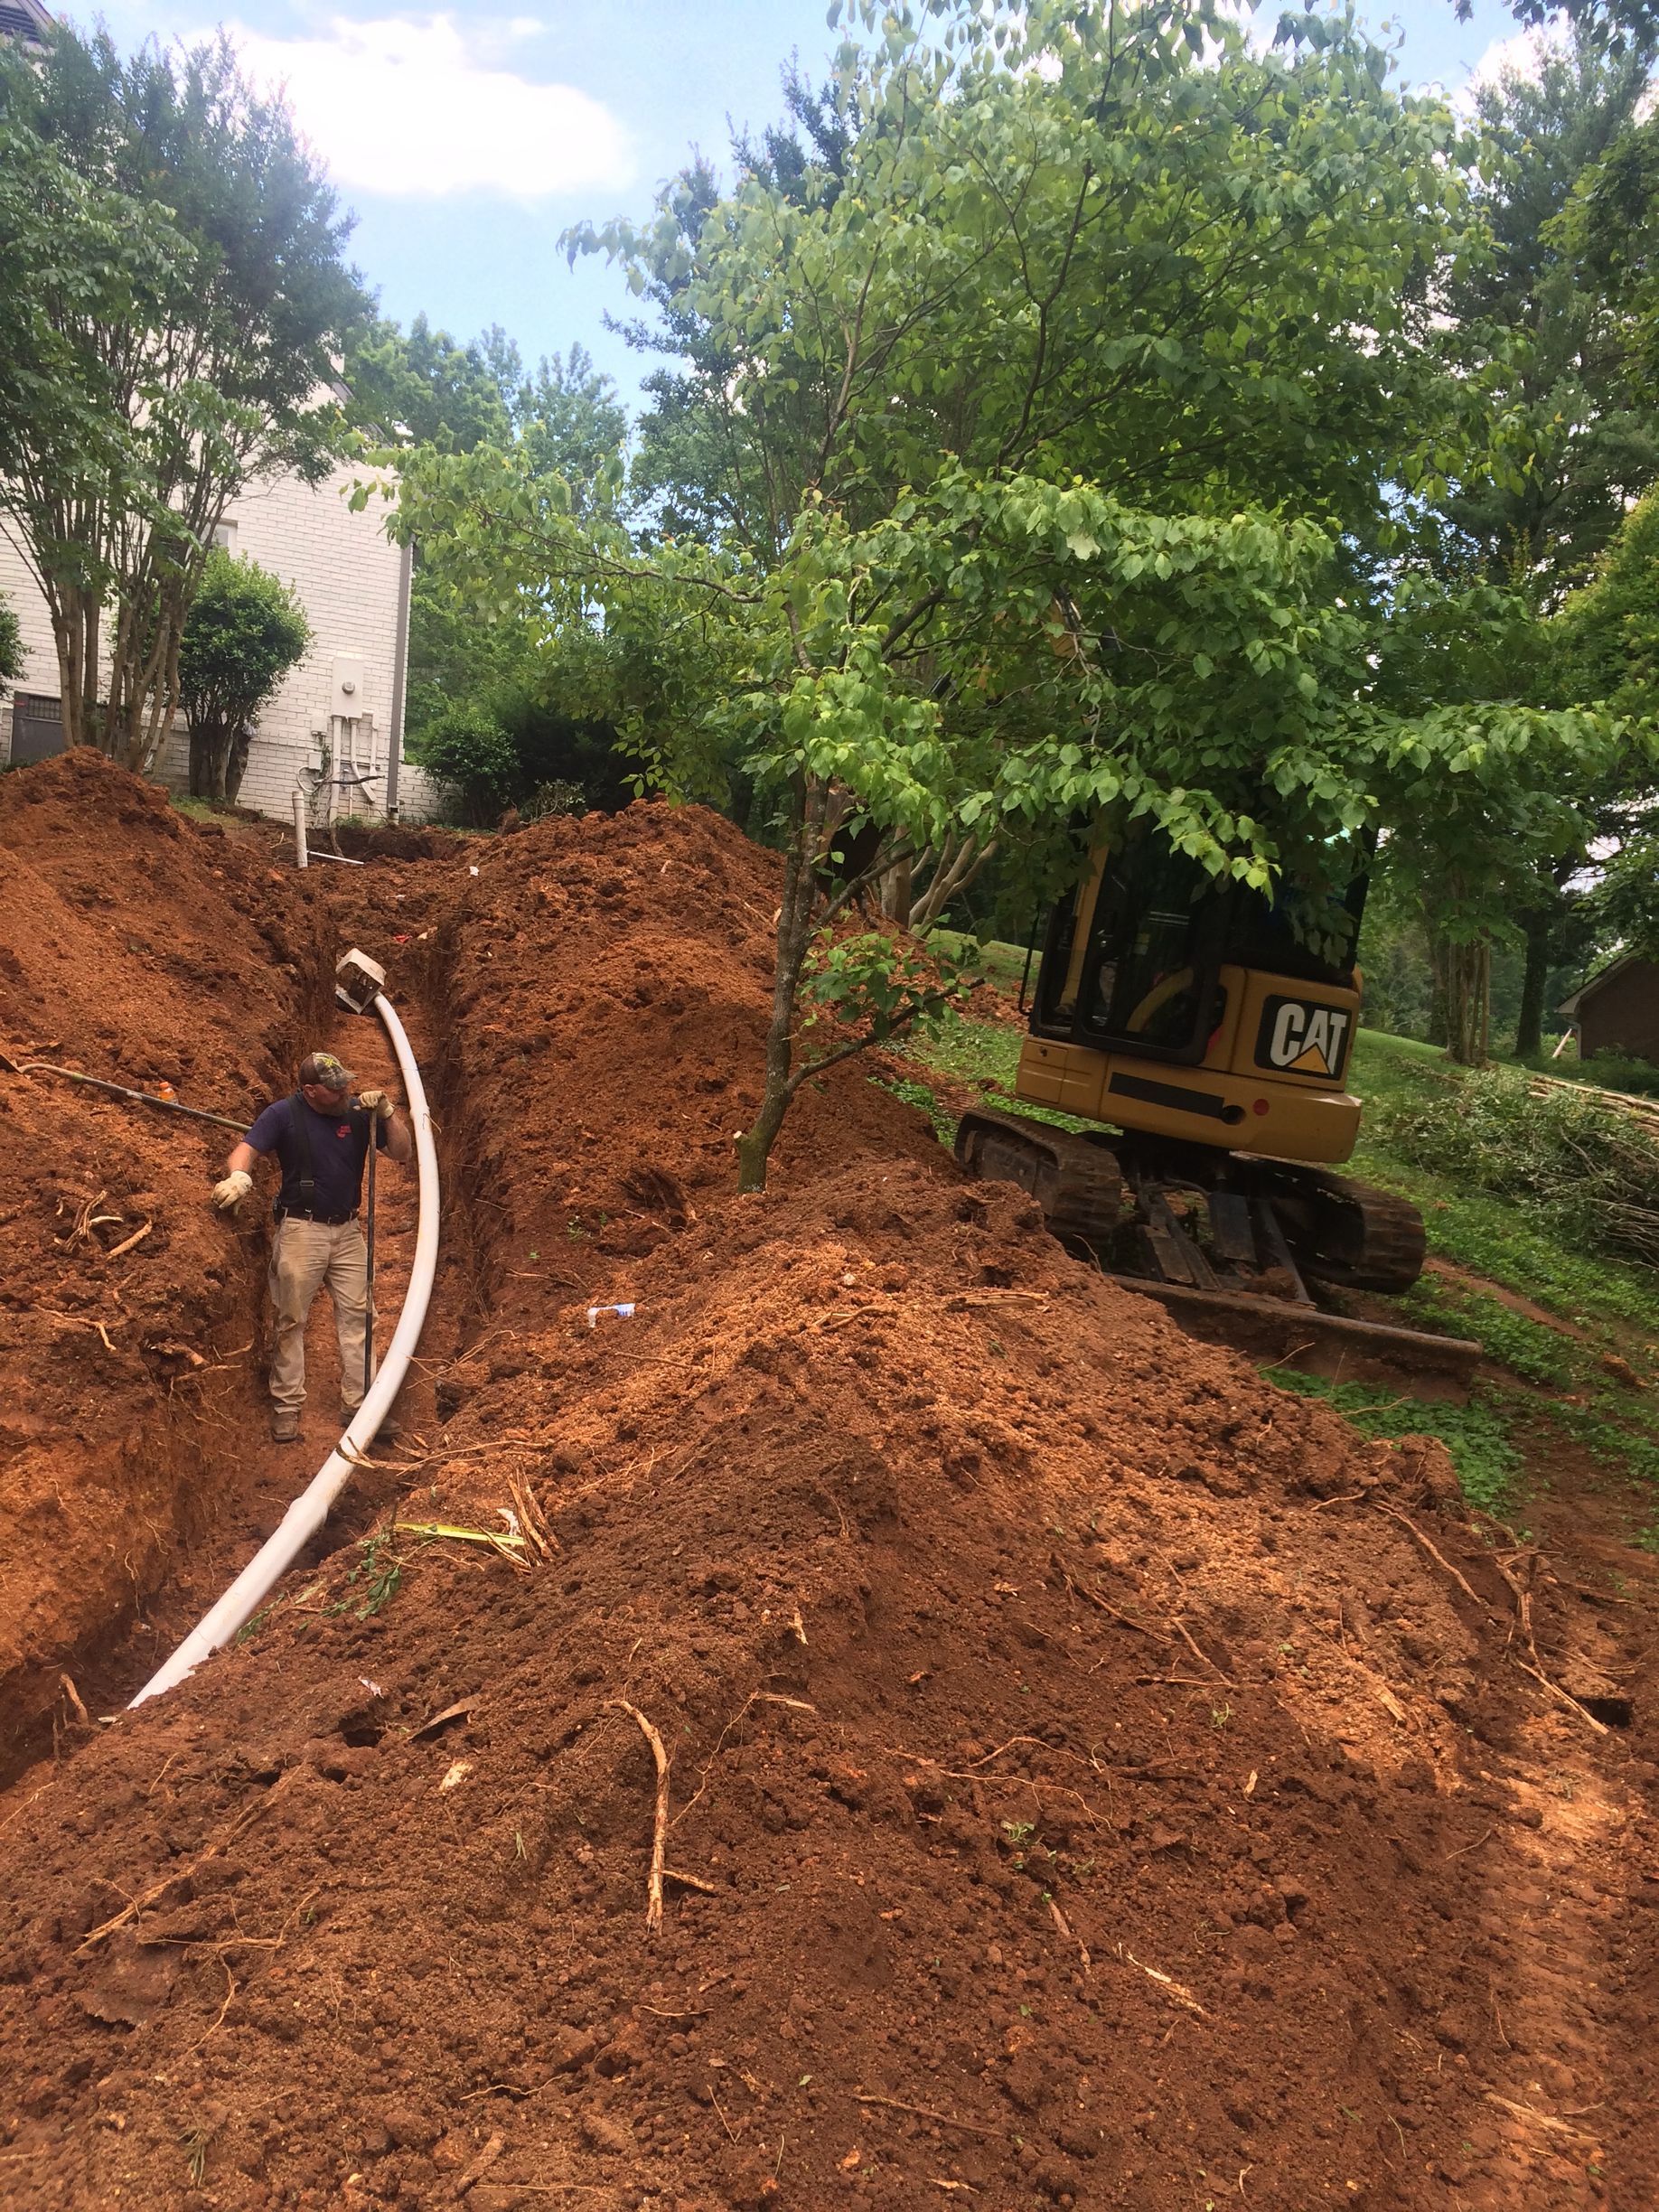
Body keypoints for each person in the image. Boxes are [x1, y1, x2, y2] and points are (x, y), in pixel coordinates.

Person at [211, 1050, 412, 1442]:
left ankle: (361, 1406)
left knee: (360, 1318)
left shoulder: (358, 1113)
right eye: (335, 1089)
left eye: (346, 1085)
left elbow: (402, 1153)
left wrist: (387, 1114)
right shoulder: (283, 1115)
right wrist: (238, 1177)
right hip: (301, 1231)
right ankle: (286, 1407)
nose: (344, 1093)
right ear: (310, 1090)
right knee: (290, 1319)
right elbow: (246, 1149)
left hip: (348, 1232)